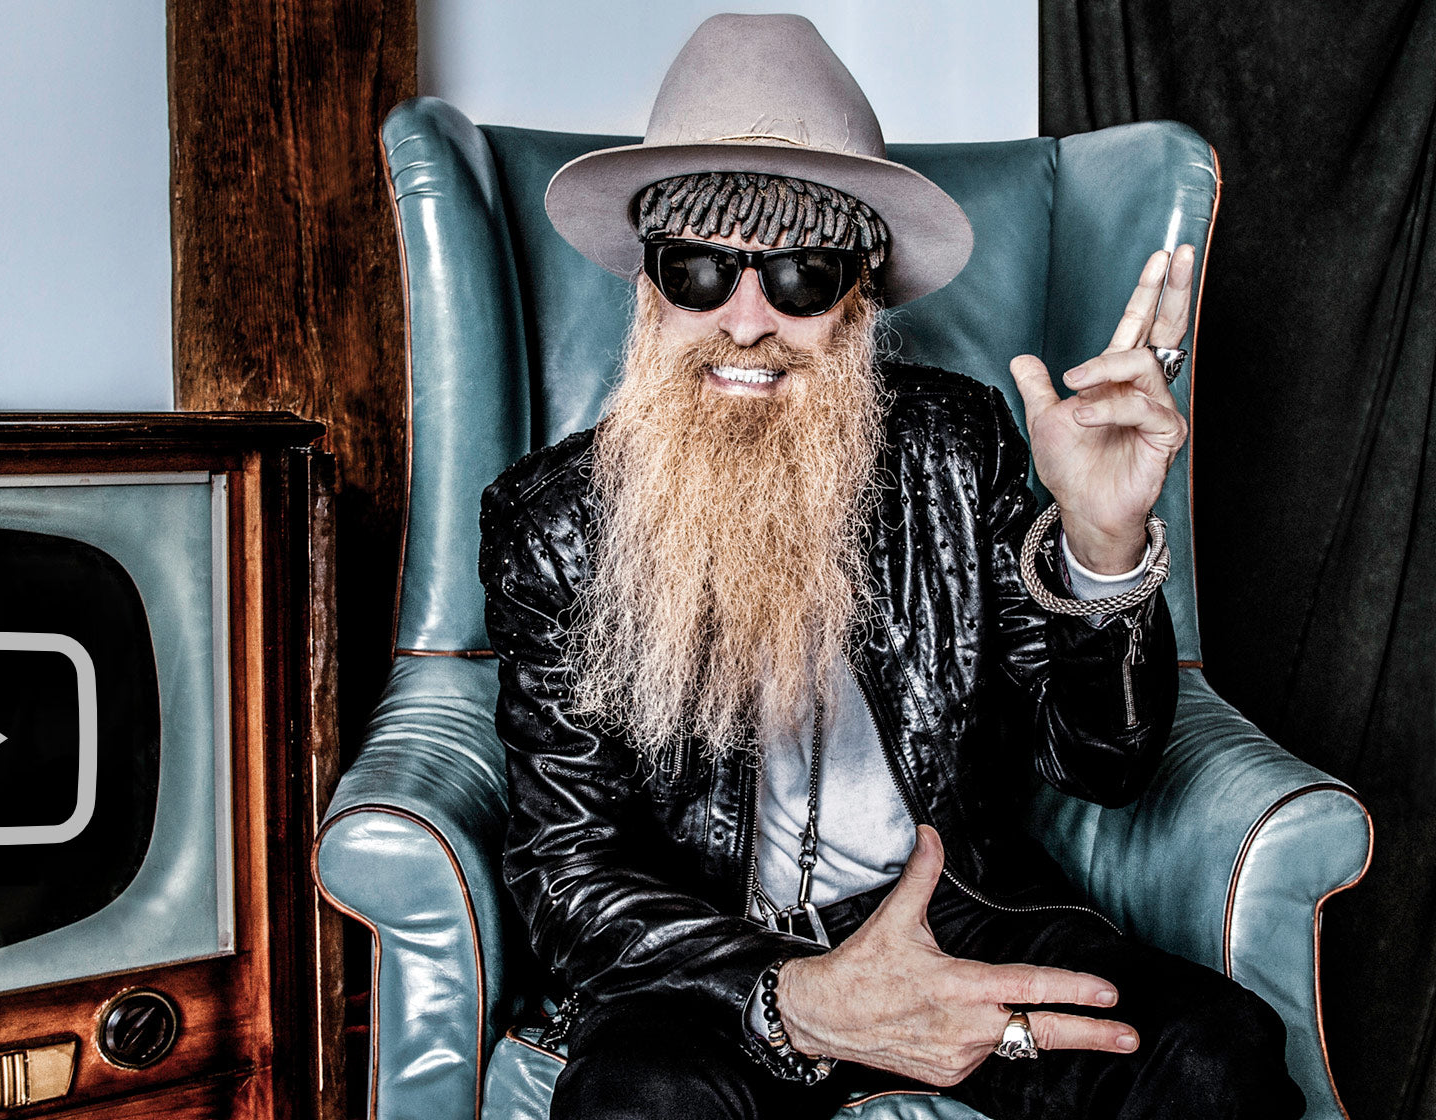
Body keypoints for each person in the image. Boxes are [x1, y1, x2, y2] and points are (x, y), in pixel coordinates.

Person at [477, 13, 1303, 1119]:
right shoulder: (553, 525)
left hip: (954, 912)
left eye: (802, 276)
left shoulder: (957, 446)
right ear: (648, 290)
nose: (749, 321)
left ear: (859, 299)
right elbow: (565, 864)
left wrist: (1102, 548)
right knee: (641, 1101)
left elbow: (1099, 762)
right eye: (699, 269)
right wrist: (792, 996)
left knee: (1214, 1053)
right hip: (710, 965)